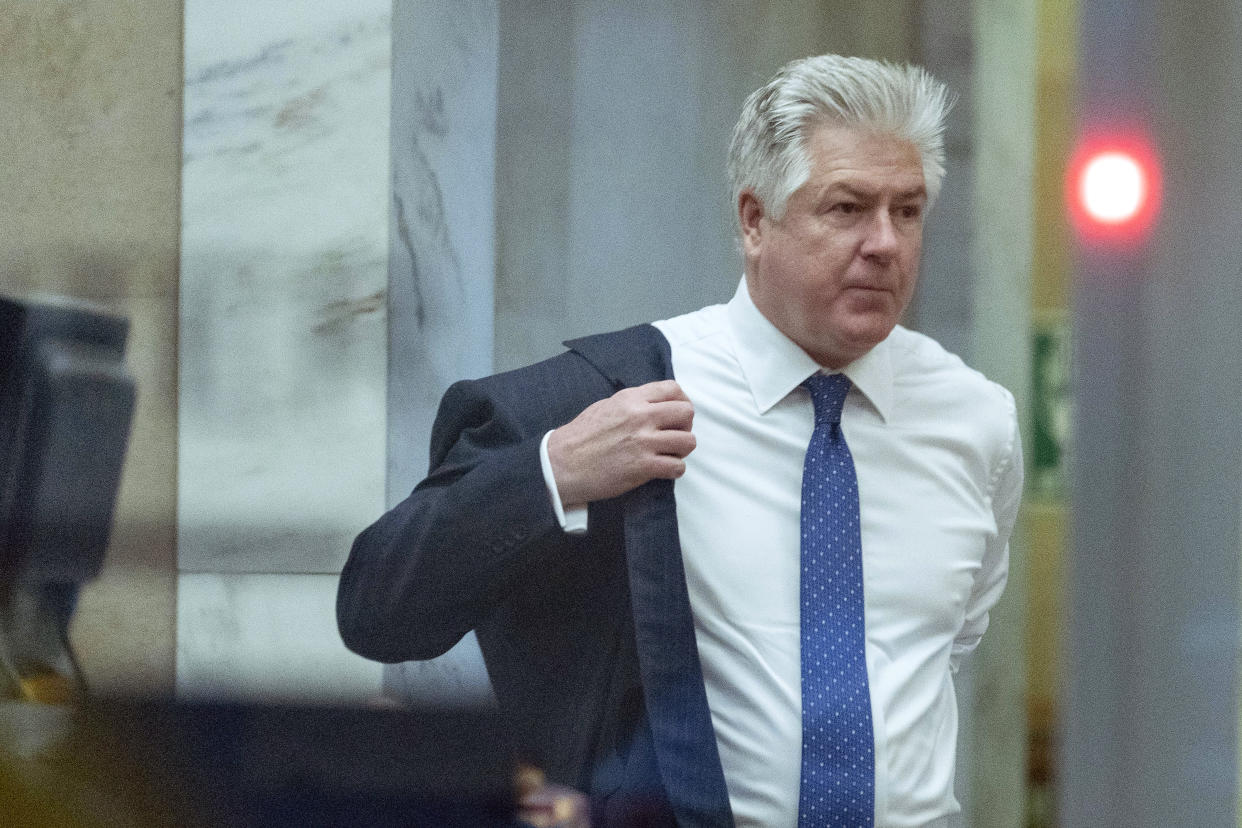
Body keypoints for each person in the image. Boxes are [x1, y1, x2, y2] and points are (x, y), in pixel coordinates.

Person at [337, 54, 1023, 828]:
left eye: (908, 210)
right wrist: (551, 475)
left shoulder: (977, 421)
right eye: (846, 208)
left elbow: (941, 647)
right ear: (754, 220)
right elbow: (378, 610)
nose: (885, 244)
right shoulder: (615, 394)